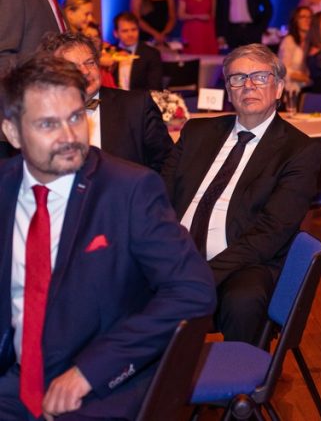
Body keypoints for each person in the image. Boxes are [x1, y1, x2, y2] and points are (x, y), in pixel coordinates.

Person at [0, 54, 215, 420]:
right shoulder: (4, 186)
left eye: (75, 117)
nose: (69, 137)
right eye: (48, 124)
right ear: (12, 132)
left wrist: (89, 372)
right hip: (12, 377)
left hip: (98, 385)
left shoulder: (129, 189)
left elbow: (192, 290)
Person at [161, 44, 320, 344]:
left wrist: (203, 274)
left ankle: (245, 372)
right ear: (229, 90)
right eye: (238, 78)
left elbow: (271, 232)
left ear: (278, 88)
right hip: (177, 252)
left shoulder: (298, 151)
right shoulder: (197, 132)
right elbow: (161, 197)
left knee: (244, 300)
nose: (248, 85)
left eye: (260, 77)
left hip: (242, 261)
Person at [40, 31, 173, 173]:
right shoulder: (41, 116)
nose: (85, 71)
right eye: (74, 67)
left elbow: (168, 165)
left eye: (90, 63)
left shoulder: (136, 107)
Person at [112, 11, 163, 91]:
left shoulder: (151, 54)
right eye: (125, 31)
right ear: (116, 33)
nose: (130, 34)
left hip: (141, 98)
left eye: (134, 30)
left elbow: (154, 87)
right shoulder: (109, 52)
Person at [279, 6, 312, 93]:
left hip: (308, 89)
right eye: (303, 17)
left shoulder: (312, 42)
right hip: (291, 89)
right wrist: (303, 78)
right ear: (296, 20)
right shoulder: (289, 41)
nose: (307, 20)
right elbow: (283, 69)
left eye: (310, 17)